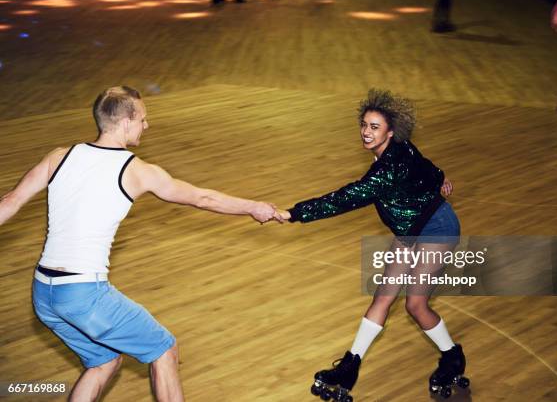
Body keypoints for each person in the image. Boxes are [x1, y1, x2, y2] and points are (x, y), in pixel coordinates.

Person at [0, 86, 282, 402]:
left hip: (44, 293)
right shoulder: (137, 171)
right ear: (126, 122)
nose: (146, 126)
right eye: (143, 119)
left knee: (103, 361)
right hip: (83, 295)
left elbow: (10, 201)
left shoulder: (59, 156)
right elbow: (202, 197)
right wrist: (253, 206)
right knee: (164, 349)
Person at [279, 89, 469, 401]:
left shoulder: (389, 166)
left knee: (415, 304)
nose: (367, 132)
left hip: (437, 228)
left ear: (391, 132)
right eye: (364, 125)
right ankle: (350, 365)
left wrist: (295, 213)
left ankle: (452, 356)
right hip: (408, 229)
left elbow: (345, 197)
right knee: (382, 298)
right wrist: (440, 179)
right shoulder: (399, 149)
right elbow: (429, 169)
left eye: (375, 127)